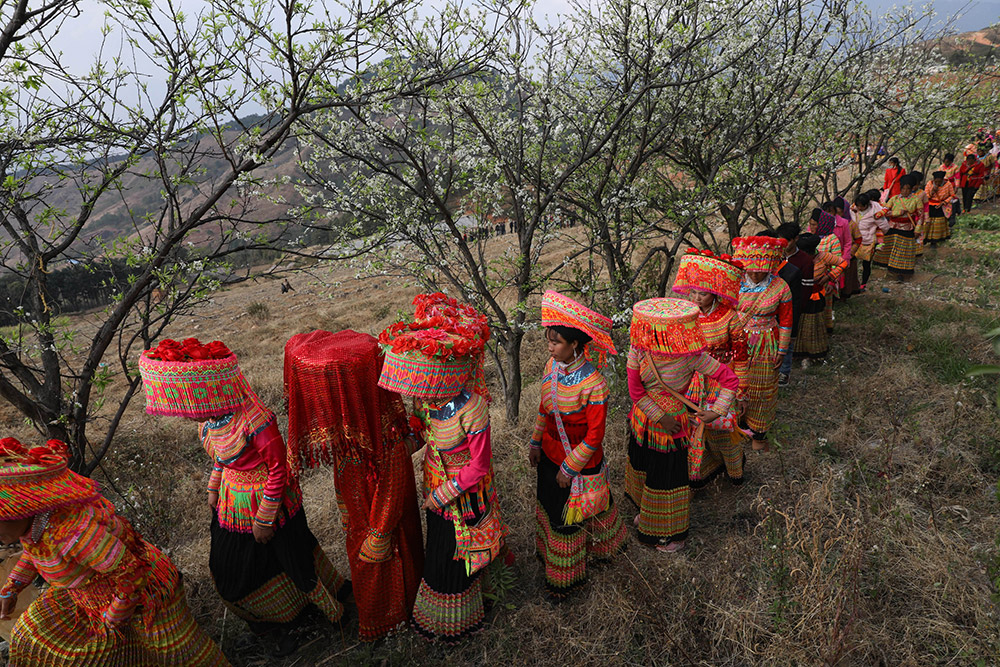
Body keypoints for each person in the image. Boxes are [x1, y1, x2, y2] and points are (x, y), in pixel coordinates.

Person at [139, 338, 349, 657]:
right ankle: (274, 624)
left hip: (269, 504)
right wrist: (213, 487)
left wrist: (264, 520)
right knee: (231, 571)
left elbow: (279, 469)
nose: (186, 417)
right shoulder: (212, 420)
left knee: (295, 564)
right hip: (232, 502)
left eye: (188, 408)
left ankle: (334, 619)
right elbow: (221, 458)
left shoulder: (256, 420)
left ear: (207, 393)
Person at [0, 438, 230, 666]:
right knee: (34, 634)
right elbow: (35, 553)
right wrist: (11, 589)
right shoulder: (37, 526)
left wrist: (113, 617)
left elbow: (132, 573)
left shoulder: (74, 535)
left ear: (22, 508)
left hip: (145, 592)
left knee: (177, 654)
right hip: (91, 592)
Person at [377, 296, 505, 641]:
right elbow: (424, 435)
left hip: (462, 493)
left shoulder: (472, 409)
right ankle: (438, 619)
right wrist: (398, 452)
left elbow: (479, 465)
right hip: (433, 484)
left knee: (455, 555)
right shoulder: (427, 402)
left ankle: (458, 624)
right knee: (439, 546)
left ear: (444, 375)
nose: (421, 393)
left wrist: (442, 495)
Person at [283, 329, 424, 641]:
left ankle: (391, 622)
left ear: (348, 393)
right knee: (365, 563)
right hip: (358, 515)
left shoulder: (382, 437)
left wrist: (380, 531)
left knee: (381, 563)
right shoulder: (349, 434)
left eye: (326, 393)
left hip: (382, 522)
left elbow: (394, 484)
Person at [528, 291, 627, 598]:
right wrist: (535, 442)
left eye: (556, 342)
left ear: (574, 344)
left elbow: (595, 436)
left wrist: (569, 469)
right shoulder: (551, 366)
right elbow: (544, 408)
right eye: (548, 341)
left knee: (574, 517)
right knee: (552, 508)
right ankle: (551, 558)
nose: (550, 347)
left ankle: (568, 577)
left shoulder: (594, 384)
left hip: (578, 462)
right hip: (550, 453)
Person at [624, 298, 738, 552]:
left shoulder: (691, 357)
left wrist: (716, 411)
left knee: (668, 477)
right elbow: (635, 391)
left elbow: (730, 379)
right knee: (646, 468)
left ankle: (672, 534)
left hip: (670, 428)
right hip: (646, 423)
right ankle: (649, 515)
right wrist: (660, 417)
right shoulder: (638, 349)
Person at [671, 250, 750, 485]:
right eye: (693, 292)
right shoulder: (684, 315)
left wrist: (741, 391)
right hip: (691, 380)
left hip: (721, 378)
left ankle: (734, 471)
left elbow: (741, 355)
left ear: (714, 293)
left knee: (722, 428)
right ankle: (700, 472)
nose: (696, 298)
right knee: (694, 427)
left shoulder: (729, 317)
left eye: (703, 294)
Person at [732, 236, 793, 451]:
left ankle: (758, 432)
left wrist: (782, 350)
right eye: (751, 270)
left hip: (766, 342)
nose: (755, 274)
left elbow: (786, 321)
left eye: (760, 270)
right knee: (735, 384)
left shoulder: (780, 287)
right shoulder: (733, 282)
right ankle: (736, 426)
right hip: (736, 341)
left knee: (763, 387)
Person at [792, 234, 846, 361]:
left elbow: (843, 263)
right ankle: (797, 352)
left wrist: (829, 277)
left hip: (815, 297)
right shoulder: (796, 258)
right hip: (799, 296)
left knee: (813, 324)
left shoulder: (823, 257)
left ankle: (814, 352)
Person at [875, 174, 922, 281]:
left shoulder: (916, 200)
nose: (905, 191)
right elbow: (886, 211)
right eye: (903, 188)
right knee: (891, 250)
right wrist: (897, 213)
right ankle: (891, 272)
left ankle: (901, 273)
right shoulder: (894, 199)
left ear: (912, 189)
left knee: (902, 252)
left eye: (908, 188)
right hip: (892, 227)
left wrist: (918, 229)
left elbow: (920, 216)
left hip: (907, 229)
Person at [851, 192, 888, 290]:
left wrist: (878, 235)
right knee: (852, 261)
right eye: (858, 206)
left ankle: (863, 283)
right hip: (855, 240)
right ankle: (853, 283)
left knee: (866, 264)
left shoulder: (875, 213)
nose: (859, 208)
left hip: (868, 242)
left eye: (861, 206)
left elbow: (884, 226)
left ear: (866, 205)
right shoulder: (853, 210)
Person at [924, 171, 955, 247]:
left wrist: (944, 202)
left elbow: (952, 195)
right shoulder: (929, 184)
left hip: (942, 205)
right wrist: (932, 192)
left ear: (943, 180)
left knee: (938, 223)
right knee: (928, 222)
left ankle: (935, 240)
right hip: (931, 205)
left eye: (940, 181)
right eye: (936, 181)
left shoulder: (948, 184)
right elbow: (926, 196)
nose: (938, 183)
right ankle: (926, 238)